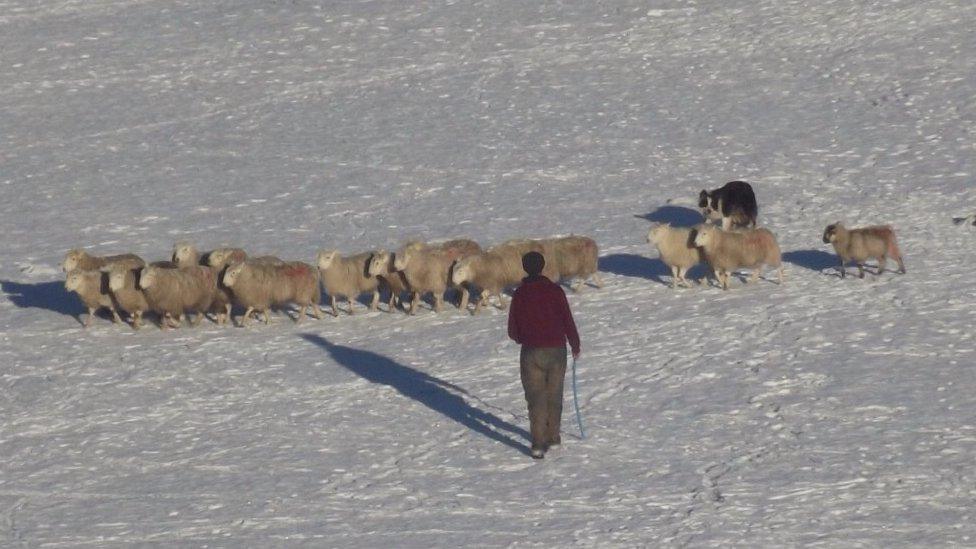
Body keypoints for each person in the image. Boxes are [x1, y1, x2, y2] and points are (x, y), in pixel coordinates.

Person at [507, 251, 581, 459]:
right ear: (542, 266)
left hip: (531, 352)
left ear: (524, 267)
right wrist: (575, 344)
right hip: (557, 350)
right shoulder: (555, 291)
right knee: (554, 394)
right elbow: (567, 319)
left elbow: (513, 329)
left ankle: (538, 444)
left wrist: (523, 338)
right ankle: (554, 437)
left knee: (536, 398)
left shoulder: (520, 294)